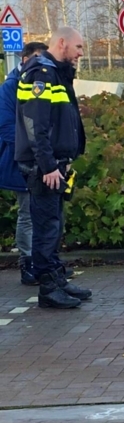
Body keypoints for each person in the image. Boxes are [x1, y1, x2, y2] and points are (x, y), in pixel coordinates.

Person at [15, 27, 90, 308]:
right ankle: (48, 287)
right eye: (78, 47)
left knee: (54, 224)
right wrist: (47, 166)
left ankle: (57, 279)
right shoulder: (41, 74)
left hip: (54, 164)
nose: (81, 54)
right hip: (43, 167)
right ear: (62, 43)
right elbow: (37, 125)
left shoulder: (55, 73)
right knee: (46, 226)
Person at [0, 41, 47, 285]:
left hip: (43, 159)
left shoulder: (41, 82)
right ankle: (27, 265)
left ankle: (44, 263)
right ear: (25, 58)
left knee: (45, 213)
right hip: (22, 161)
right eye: (37, 57)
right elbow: (7, 126)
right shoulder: (10, 88)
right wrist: (30, 152)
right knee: (27, 212)